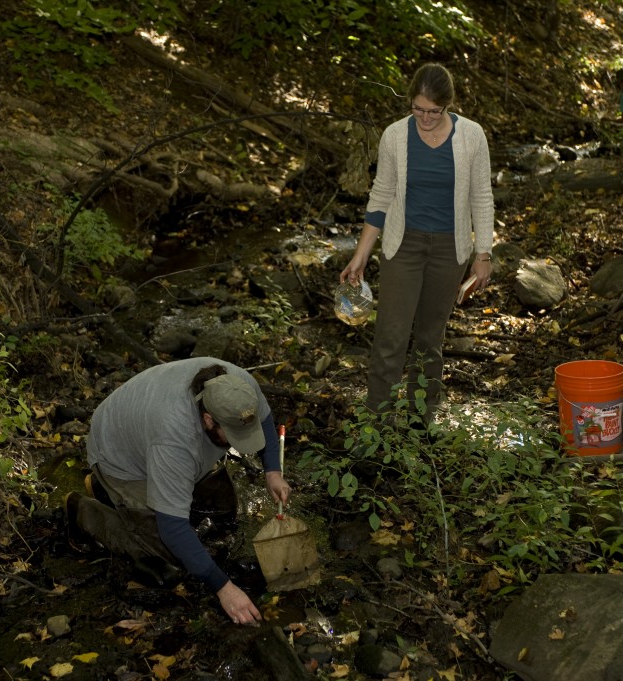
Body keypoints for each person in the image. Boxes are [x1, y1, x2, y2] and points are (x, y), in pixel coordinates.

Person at [66, 357, 291, 627]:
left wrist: (273, 472)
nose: (241, 445)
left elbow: (264, 419)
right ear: (208, 419)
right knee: (167, 554)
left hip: (149, 430)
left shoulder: (238, 386)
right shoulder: (173, 439)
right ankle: (88, 506)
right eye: (232, 434)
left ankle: (118, 494)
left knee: (223, 513)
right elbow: (173, 528)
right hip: (119, 455)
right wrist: (224, 588)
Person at [340, 63, 494, 420]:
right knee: (390, 337)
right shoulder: (395, 136)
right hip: (402, 246)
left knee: (429, 339)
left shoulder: (471, 136)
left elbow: (482, 196)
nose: (425, 118)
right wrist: (361, 255)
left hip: (449, 249)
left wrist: (482, 253)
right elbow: (381, 195)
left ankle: (420, 424)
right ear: (410, 102)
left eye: (434, 112)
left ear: (448, 106)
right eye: (418, 109)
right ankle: (376, 423)